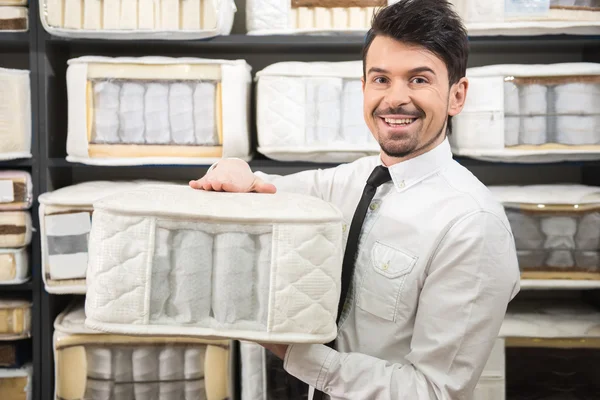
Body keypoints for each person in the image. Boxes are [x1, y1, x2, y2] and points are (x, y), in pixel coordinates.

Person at [189, 1, 521, 398]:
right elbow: (266, 190)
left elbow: (433, 391)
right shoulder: (354, 179)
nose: (395, 99)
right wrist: (234, 170)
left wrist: (295, 353)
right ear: (363, 88)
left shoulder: (474, 225)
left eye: (419, 80)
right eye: (381, 79)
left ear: (456, 96)